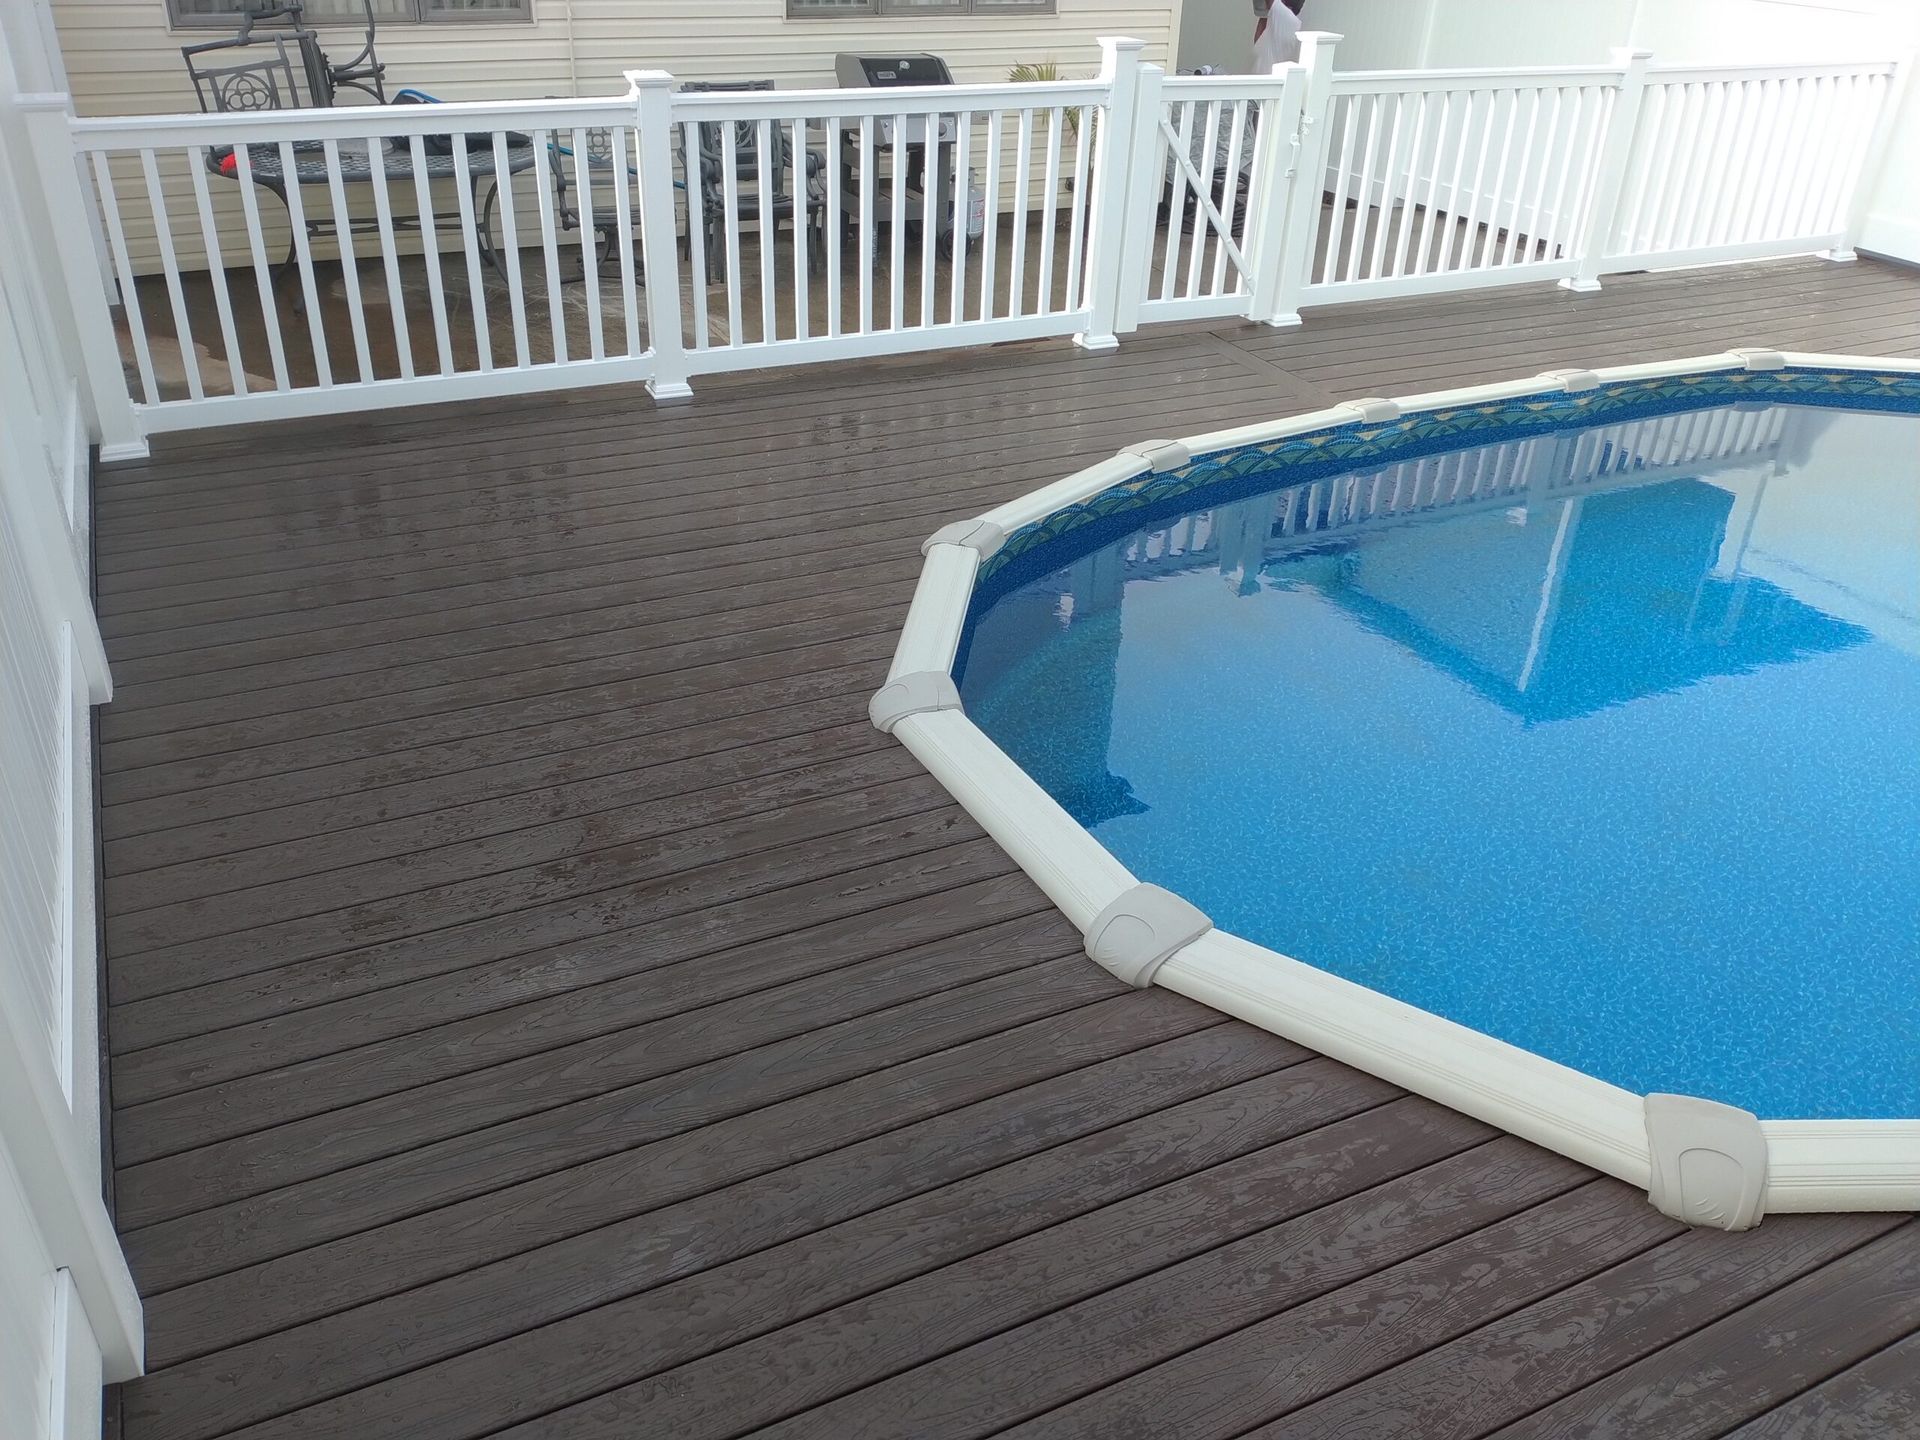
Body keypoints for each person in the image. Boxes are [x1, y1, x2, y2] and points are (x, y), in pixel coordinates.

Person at [1253, 0, 1305, 72]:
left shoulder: (1286, 17)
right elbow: (1258, 41)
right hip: (1264, 76)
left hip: (1268, 79)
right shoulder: (1285, 23)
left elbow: (1269, 2)